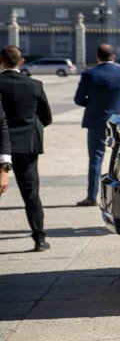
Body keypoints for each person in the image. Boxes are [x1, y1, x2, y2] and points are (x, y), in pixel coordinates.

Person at [0, 46, 52, 251]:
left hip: (1, 143)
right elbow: (46, 117)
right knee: (31, 193)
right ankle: (39, 238)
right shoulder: (35, 85)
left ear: (1, 61)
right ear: (21, 61)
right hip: (27, 145)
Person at [74, 44, 120, 206]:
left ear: (97, 57)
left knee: (95, 158)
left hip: (96, 119)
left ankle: (91, 196)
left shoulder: (89, 74)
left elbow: (79, 99)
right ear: (114, 56)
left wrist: (93, 103)